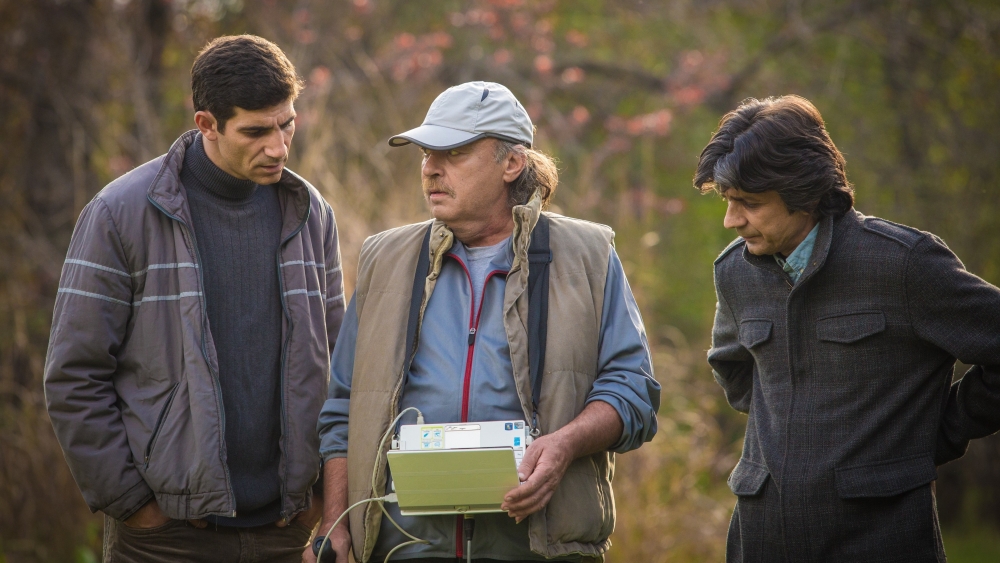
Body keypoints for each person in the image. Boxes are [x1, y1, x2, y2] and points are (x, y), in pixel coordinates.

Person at [313, 81, 660, 563]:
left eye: (453, 152)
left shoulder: (588, 255)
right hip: (405, 549)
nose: (431, 168)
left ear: (511, 163)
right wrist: (335, 523)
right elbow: (343, 408)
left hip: (539, 549)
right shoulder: (384, 258)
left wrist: (564, 445)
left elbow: (634, 393)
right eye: (427, 153)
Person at [43, 35, 345, 562]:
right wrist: (134, 504)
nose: (278, 147)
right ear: (207, 124)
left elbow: (341, 364)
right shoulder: (121, 213)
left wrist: (319, 498)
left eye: (287, 124)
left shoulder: (310, 213)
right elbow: (74, 375)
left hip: (284, 530)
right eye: (256, 131)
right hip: (167, 539)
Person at [696, 95, 1000, 562]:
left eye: (749, 203)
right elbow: (735, 375)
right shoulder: (734, 272)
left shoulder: (903, 263)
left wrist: (936, 431)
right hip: (760, 540)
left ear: (803, 193)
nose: (731, 220)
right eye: (728, 200)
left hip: (881, 541)